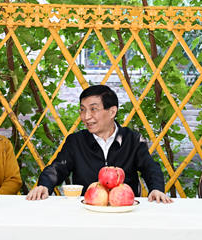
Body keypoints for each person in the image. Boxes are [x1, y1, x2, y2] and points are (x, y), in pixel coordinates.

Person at [26, 84, 172, 202]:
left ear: (112, 112)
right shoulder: (76, 141)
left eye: (93, 109)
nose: (86, 116)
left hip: (124, 210)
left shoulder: (132, 139)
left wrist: (156, 189)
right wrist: (44, 185)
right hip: (86, 210)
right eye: (82, 110)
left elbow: (150, 168)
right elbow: (57, 168)